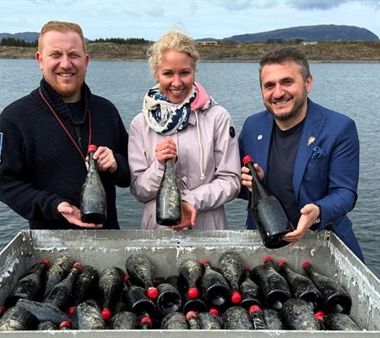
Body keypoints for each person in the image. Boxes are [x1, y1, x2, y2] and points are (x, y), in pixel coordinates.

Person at [0, 21, 130, 230]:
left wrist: (116, 165)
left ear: (86, 61)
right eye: (55, 55)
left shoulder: (106, 111)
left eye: (74, 55)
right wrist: (52, 206)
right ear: (40, 60)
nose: (65, 64)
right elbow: (4, 184)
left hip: (109, 240)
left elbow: (131, 172)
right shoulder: (14, 118)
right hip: (50, 244)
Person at [238, 46, 364, 262]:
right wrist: (248, 181)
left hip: (323, 241)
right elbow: (239, 187)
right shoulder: (252, 126)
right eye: (269, 85)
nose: (278, 93)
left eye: (287, 82)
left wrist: (318, 211)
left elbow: (345, 192)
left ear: (308, 83)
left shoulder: (339, 128)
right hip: (266, 244)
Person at [128, 29, 242, 231]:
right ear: (156, 73)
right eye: (168, 73)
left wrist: (191, 201)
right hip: (157, 231)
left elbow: (231, 181)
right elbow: (138, 191)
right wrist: (160, 167)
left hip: (207, 229)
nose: (177, 82)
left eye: (185, 73)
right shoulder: (140, 123)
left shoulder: (218, 117)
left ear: (195, 71)